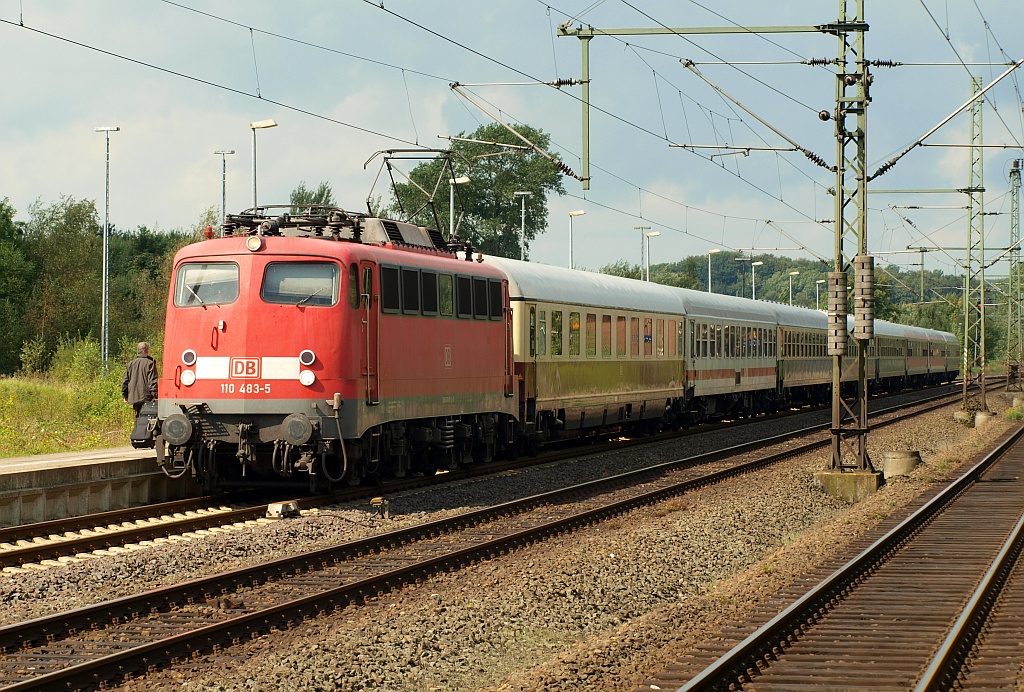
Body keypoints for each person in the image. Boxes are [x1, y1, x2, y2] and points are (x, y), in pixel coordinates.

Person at [122, 342, 158, 417]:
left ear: (138, 351)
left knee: (137, 418)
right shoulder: (150, 363)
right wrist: (155, 396)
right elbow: (152, 382)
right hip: (147, 398)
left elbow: (125, 381)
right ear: (147, 351)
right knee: (146, 420)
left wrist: (125, 395)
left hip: (133, 397)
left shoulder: (131, 364)